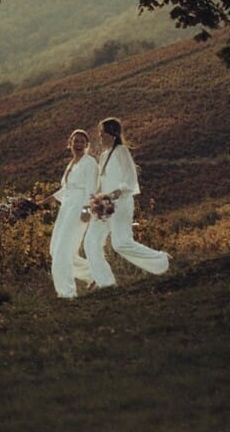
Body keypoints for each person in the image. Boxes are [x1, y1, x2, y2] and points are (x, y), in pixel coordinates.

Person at [82, 117, 170, 286]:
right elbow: (101, 183)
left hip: (120, 203)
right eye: (100, 133)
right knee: (91, 241)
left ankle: (162, 261)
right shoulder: (103, 155)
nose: (100, 136)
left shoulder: (122, 151)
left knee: (121, 243)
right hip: (103, 206)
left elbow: (130, 178)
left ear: (113, 135)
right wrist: (94, 201)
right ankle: (106, 283)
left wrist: (115, 194)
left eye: (103, 133)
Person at [50, 129, 99, 298]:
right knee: (55, 250)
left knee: (61, 251)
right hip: (66, 210)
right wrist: (42, 202)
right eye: (75, 141)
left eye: (82, 142)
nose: (78, 144)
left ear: (87, 145)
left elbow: (91, 190)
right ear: (70, 143)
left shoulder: (90, 163)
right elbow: (66, 190)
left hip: (80, 209)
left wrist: (86, 212)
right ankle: (94, 274)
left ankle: (66, 293)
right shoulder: (72, 164)